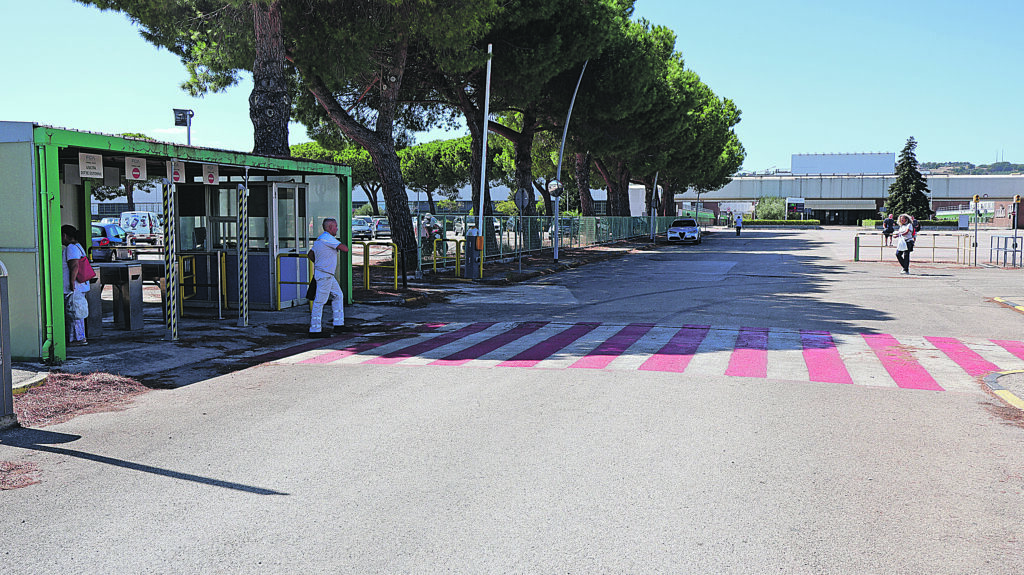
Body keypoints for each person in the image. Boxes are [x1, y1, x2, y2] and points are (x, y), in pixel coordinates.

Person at [308, 218, 350, 337]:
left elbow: (310, 255)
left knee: (338, 295)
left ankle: (339, 324)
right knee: (319, 301)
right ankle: (315, 329)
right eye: (335, 226)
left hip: (326, 274)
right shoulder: (329, 239)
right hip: (325, 275)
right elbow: (345, 249)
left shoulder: (320, 239)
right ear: (330, 227)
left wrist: (319, 263)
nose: (337, 228)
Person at [61, 225, 90, 346]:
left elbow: (74, 266)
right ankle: (79, 338)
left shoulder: (71, 248)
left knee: (74, 313)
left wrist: (72, 283)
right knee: (77, 312)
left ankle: (78, 339)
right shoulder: (78, 246)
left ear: (65, 236)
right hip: (80, 285)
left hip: (74, 287)